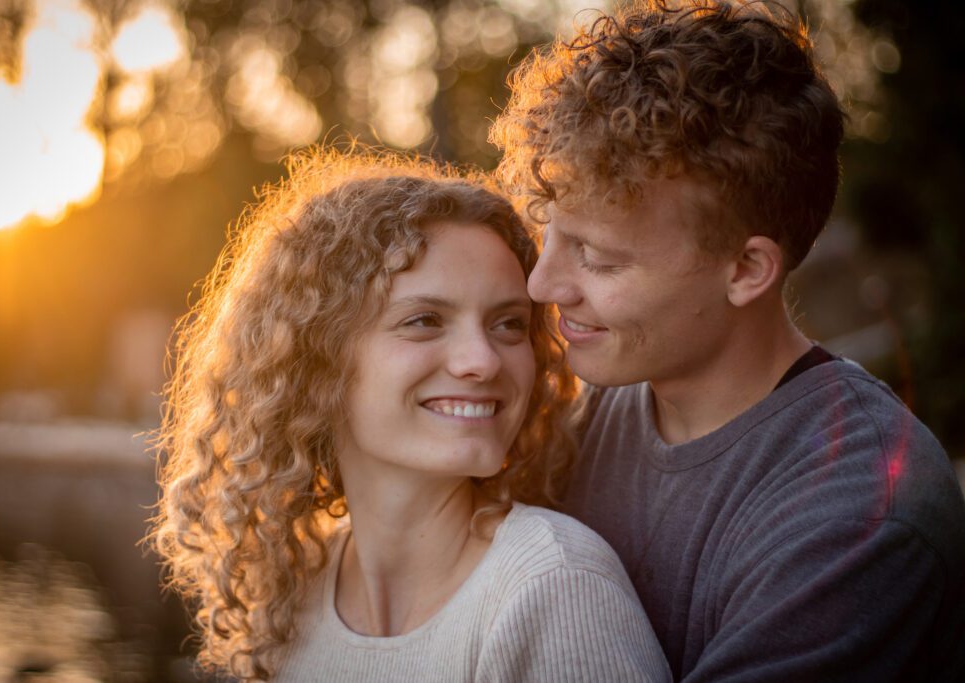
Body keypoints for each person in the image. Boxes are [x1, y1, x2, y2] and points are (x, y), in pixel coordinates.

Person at [491, 1, 965, 681]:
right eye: (551, 233)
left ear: (746, 269)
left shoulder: (860, 511)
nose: (542, 284)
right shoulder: (574, 413)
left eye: (596, 257)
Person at [151, 149, 671, 682]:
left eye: (509, 324)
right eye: (425, 320)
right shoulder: (294, 598)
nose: (483, 360)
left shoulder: (554, 589)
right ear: (316, 358)